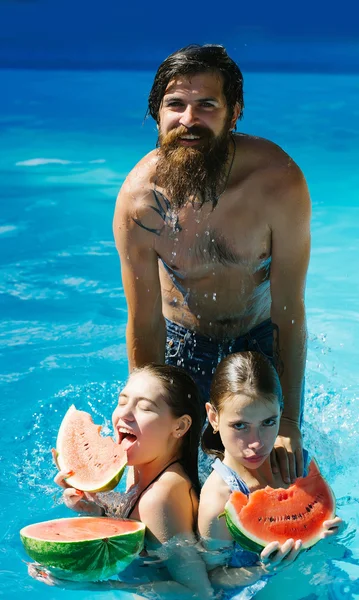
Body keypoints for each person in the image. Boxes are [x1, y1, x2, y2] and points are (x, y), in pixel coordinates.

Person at [113, 43, 311, 484]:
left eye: (206, 105)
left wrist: (291, 424)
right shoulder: (139, 202)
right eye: (175, 105)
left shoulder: (278, 183)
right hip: (183, 344)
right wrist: (143, 423)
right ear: (156, 113)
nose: (188, 119)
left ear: (233, 112)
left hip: (259, 340)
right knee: (170, 484)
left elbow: (289, 311)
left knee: (272, 476)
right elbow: (144, 322)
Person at [29, 364, 214, 599]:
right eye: (122, 401)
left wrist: (102, 586)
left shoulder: (160, 498)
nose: (124, 414)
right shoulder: (138, 466)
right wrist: (94, 508)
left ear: (179, 426)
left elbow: (199, 592)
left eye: (145, 407)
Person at [198, 351, 342, 598]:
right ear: (214, 417)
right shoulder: (217, 500)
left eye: (268, 422)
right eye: (240, 426)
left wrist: (329, 534)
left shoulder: (299, 465)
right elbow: (214, 578)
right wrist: (261, 569)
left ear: (281, 411)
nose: (256, 443)